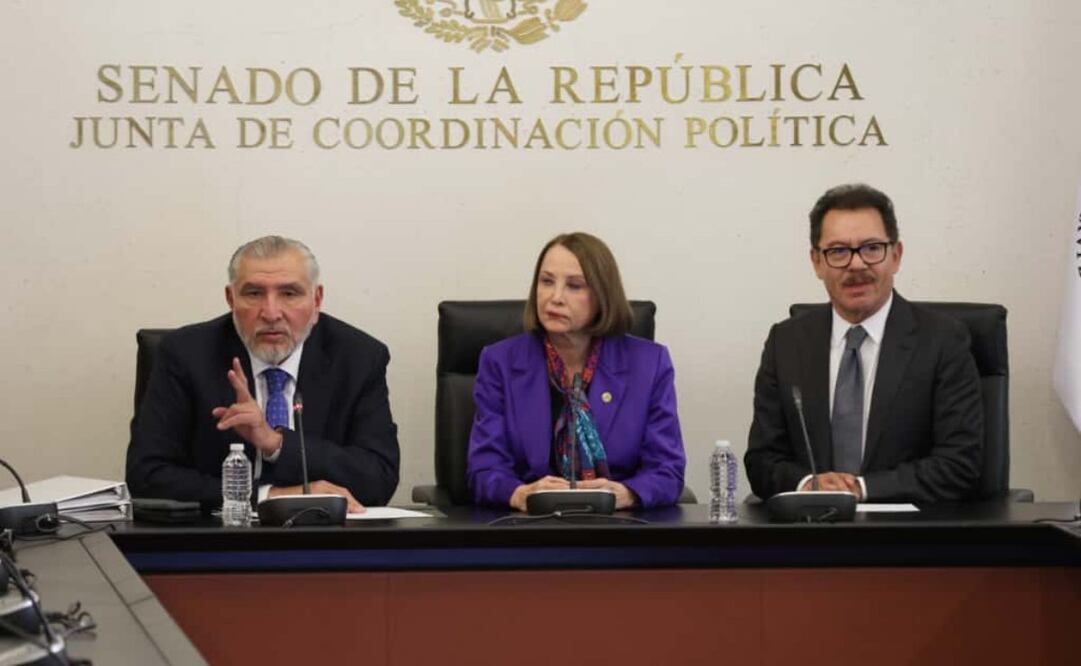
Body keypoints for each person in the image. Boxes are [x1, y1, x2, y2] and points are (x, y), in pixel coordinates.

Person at [745, 184, 983, 503]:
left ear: (896, 255)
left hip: (909, 538)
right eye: (838, 251)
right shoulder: (786, 342)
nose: (857, 265)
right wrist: (807, 484)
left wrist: (860, 488)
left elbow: (959, 464)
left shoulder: (942, 340)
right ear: (817, 262)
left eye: (872, 248)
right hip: (809, 537)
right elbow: (762, 460)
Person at [126, 236, 399, 512]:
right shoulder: (185, 355)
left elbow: (378, 479)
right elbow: (146, 476)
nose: (270, 313)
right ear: (231, 299)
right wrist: (269, 497)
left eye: (289, 294)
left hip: (325, 542)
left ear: (316, 300)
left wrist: (276, 443)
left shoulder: (358, 357)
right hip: (216, 543)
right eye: (254, 293)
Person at [467, 232, 686, 511]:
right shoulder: (500, 362)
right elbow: (483, 469)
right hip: (527, 530)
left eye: (574, 286)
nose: (555, 297)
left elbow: (667, 471)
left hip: (620, 529)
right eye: (546, 282)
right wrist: (521, 493)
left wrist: (627, 493)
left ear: (603, 295)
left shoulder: (649, 364)